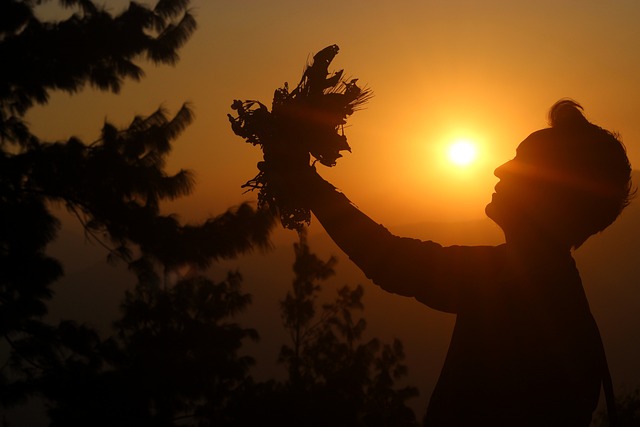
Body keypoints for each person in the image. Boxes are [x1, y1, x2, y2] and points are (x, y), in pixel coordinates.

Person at [292, 100, 633, 426]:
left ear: (554, 198)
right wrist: (306, 182)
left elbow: (391, 262)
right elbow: (393, 259)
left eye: (524, 161)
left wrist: (304, 180)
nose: (500, 169)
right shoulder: (514, 275)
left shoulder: (538, 304)